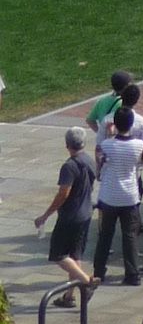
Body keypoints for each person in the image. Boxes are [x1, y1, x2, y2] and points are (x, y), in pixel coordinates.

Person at [88, 106, 143, 288]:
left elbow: (101, 162)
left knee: (105, 235)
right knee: (129, 236)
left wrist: (109, 133)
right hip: (130, 195)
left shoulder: (107, 145)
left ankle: (99, 271)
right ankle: (132, 274)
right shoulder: (138, 145)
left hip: (109, 195)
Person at [35, 127, 96, 299]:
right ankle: (70, 295)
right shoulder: (89, 161)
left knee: (59, 254)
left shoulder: (69, 166)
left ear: (67, 144)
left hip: (70, 217)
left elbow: (63, 193)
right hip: (86, 213)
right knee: (75, 255)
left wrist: (45, 216)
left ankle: (86, 282)